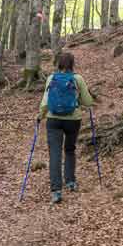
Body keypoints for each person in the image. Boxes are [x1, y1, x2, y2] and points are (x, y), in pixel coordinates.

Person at [38, 51, 94, 204]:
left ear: (59, 64)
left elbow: (45, 100)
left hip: (53, 120)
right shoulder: (78, 79)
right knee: (69, 149)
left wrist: (40, 115)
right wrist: (85, 103)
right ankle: (70, 181)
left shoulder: (51, 78)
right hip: (73, 120)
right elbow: (88, 101)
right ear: (72, 64)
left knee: (55, 154)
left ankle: (56, 191)